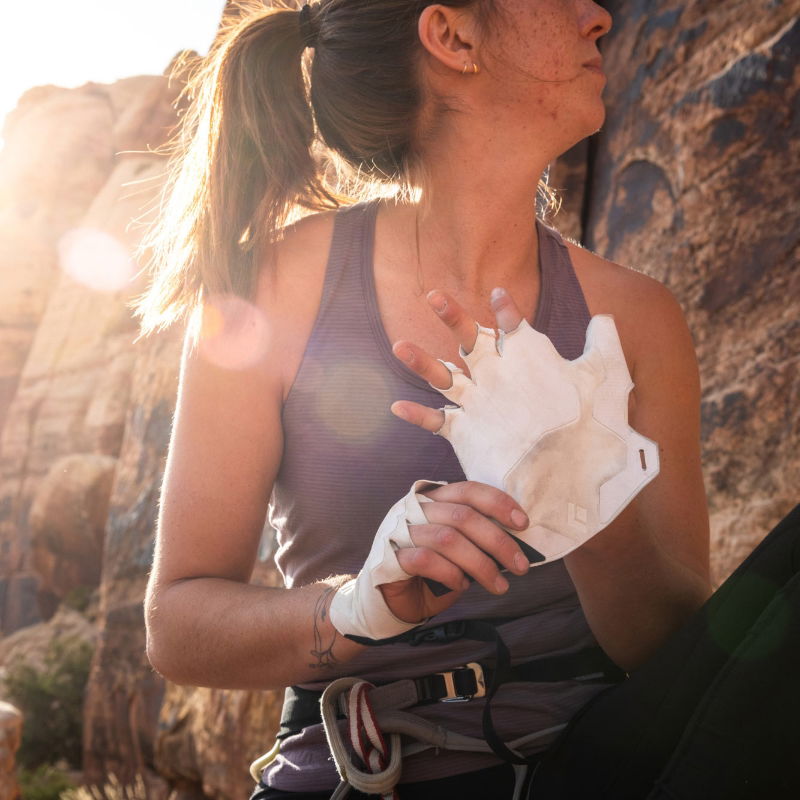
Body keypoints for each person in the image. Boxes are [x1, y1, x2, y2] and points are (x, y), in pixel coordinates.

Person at [138, 1, 799, 798]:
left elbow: (679, 657)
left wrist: (578, 485)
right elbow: (177, 626)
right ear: (452, 36)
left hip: (590, 760)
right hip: (349, 772)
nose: (597, 16)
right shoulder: (269, 288)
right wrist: (355, 608)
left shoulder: (638, 318)